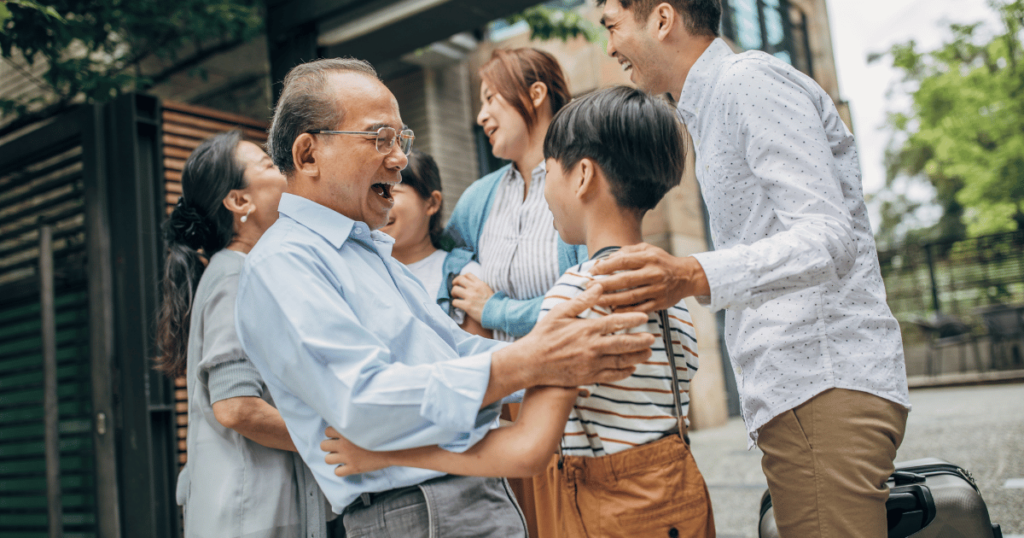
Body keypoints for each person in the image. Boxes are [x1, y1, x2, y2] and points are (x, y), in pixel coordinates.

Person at [233, 57, 656, 538]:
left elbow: (455, 353)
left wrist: (560, 355)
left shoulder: (369, 253)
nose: (399, 159)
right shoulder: (283, 264)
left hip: (463, 494)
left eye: (402, 139)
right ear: (308, 154)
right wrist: (533, 361)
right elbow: (365, 403)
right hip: (416, 510)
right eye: (380, 138)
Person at [320, 86, 715, 538]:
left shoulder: (577, 293)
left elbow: (527, 449)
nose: (543, 190)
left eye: (550, 169)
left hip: (612, 513)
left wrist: (384, 454)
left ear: (583, 176)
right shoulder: (671, 292)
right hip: (681, 501)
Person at [585, 1, 912, 537]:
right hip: (805, 392)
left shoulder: (746, 83)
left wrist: (690, 274)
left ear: (662, 20)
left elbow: (828, 238)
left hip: (820, 384)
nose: (609, 46)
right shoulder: (709, 105)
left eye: (613, 26)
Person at [154, 130, 330, 538]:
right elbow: (235, 407)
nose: (285, 171)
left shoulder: (243, 271)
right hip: (250, 516)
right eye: (269, 165)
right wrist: (332, 440)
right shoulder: (235, 275)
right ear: (239, 202)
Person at [443, 47, 587, 343]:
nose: (481, 116)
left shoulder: (583, 183)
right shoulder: (477, 198)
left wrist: (494, 310)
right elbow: (444, 254)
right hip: (500, 371)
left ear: (536, 95)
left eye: (490, 99)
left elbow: (590, 297)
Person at [380, 149, 489, 336]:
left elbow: (481, 351)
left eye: (392, 190)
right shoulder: (359, 269)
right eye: (375, 190)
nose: (380, 202)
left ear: (432, 203)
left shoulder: (462, 278)